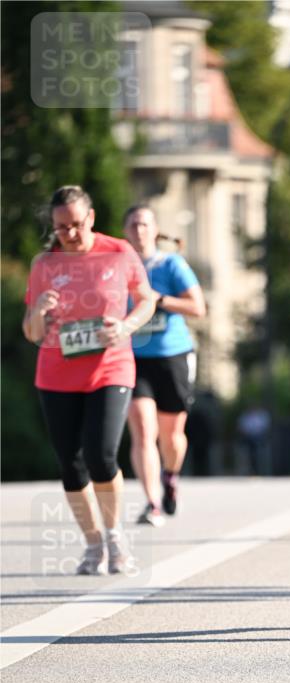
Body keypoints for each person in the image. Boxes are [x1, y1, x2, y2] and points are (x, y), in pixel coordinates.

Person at [23, 185, 155, 574]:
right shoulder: (45, 264)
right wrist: (39, 312)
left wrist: (127, 326)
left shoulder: (118, 251)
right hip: (56, 374)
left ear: (91, 218)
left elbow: (147, 299)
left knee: (101, 455)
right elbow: (31, 333)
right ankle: (93, 543)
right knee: (71, 464)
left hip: (111, 368)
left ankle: (115, 536)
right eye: (62, 227)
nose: (71, 234)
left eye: (77, 225)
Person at [123, 204, 206, 525]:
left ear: (155, 230)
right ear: (126, 231)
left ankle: (170, 476)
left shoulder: (171, 264)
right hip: (134, 358)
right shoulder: (120, 269)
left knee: (171, 436)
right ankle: (151, 501)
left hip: (173, 355)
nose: (139, 230)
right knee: (143, 429)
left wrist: (159, 301)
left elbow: (198, 307)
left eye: (144, 224)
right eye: (133, 225)